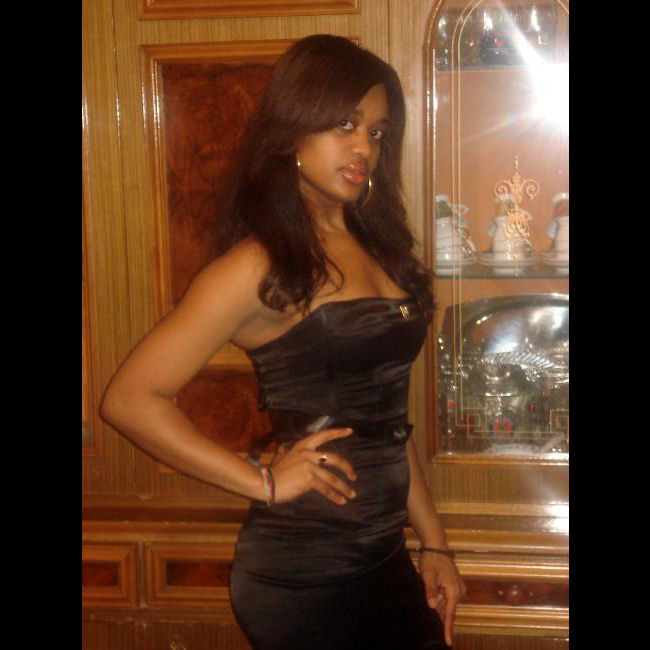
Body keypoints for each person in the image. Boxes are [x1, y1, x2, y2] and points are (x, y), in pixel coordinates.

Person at [100, 34, 466, 650]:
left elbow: (385, 420)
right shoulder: (258, 264)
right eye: (344, 124)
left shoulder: (380, 247)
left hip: (384, 555)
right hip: (306, 572)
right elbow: (129, 399)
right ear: (293, 128)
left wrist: (434, 543)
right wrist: (263, 482)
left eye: (377, 132)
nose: (364, 148)